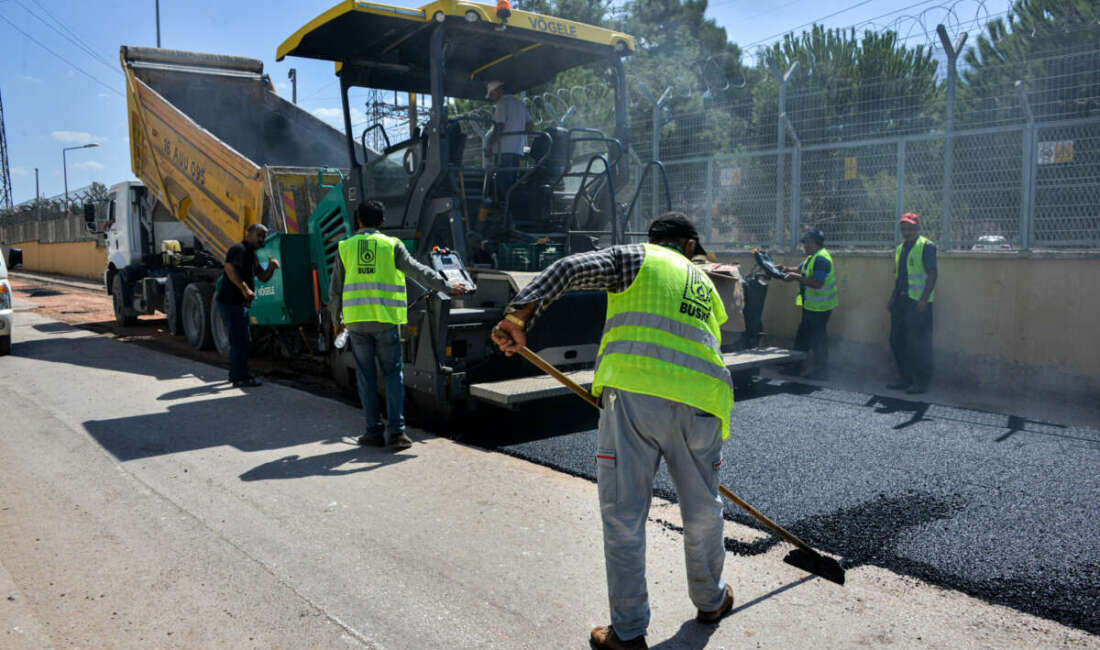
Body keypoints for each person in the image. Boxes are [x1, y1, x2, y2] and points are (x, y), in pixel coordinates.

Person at [492, 213, 735, 650]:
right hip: (703, 402)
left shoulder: (638, 257)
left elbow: (567, 268)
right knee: (702, 510)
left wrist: (518, 316)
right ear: (687, 246)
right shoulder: (704, 283)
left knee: (625, 515)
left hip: (635, 398)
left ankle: (628, 631)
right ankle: (712, 600)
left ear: (656, 240)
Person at [330, 201, 467, 450]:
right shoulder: (392, 245)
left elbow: (335, 291)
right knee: (393, 374)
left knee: (366, 377)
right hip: (386, 321)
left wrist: (336, 322)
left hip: (357, 323)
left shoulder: (345, 247)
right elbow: (418, 271)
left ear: (358, 221)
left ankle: (373, 432)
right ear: (382, 221)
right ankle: (396, 433)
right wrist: (447, 286)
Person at [216, 223, 279, 388]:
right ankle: (240, 377)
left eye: (264, 236)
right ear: (249, 234)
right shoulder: (239, 249)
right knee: (241, 341)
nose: (262, 239)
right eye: (259, 235)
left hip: (240, 304)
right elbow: (229, 268)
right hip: (231, 302)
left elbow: (263, 277)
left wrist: (271, 267)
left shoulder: (251, 255)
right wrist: (244, 288)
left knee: (241, 340)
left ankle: (236, 375)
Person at [887, 212, 937, 394]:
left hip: (918, 303)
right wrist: (893, 296)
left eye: (910, 228)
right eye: (904, 228)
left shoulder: (926, 246)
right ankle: (905, 378)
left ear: (918, 228)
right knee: (896, 340)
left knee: (919, 344)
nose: (906, 231)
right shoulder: (900, 248)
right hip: (901, 301)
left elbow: (932, 274)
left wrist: (923, 299)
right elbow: (900, 276)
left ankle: (921, 382)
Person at [778, 228, 838, 380]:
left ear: (813, 243)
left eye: (806, 243)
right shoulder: (812, 257)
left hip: (820, 308)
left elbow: (817, 283)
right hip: (811, 306)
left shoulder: (821, 259)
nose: (804, 246)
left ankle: (821, 372)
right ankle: (796, 367)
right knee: (803, 338)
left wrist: (796, 277)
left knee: (818, 340)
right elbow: (800, 269)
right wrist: (785, 269)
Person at [483, 80, 534, 201]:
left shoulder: (502, 103)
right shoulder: (519, 103)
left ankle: (504, 207)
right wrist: (518, 135)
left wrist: (489, 145)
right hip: (517, 150)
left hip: (503, 150)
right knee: (513, 182)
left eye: (491, 94)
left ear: (497, 91)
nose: (492, 98)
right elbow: (530, 125)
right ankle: (513, 206)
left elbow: (499, 126)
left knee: (503, 182)